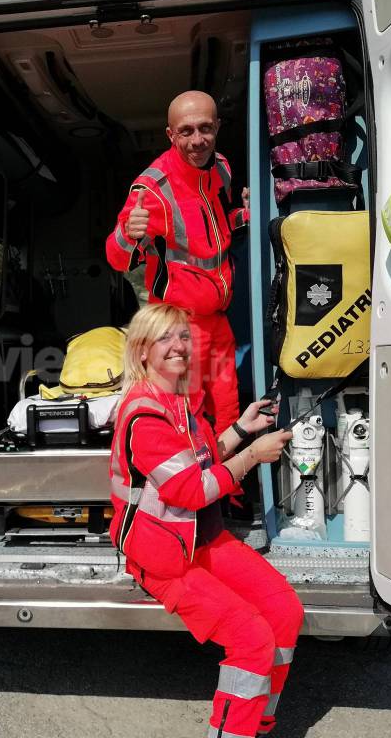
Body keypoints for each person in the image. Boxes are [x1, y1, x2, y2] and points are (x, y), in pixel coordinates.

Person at [110, 303, 301, 738]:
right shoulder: (144, 413)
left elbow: (197, 459)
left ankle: (257, 722)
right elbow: (190, 490)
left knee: (283, 610)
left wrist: (241, 430)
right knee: (252, 640)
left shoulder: (177, 400)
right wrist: (252, 456)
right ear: (142, 351)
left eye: (182, 336)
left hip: (200, 539)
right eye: (165, 338)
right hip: (164, 558)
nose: (178, 346)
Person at [105, 90, 249, 433]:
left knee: (228, 409)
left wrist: (244, 215)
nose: (198, 140)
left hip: (218, 319)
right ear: (171, 135)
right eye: (186, 131)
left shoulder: (222, 168)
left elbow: (214, 230)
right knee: (189, 419)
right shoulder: (151, 187)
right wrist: (129, 233)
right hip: (179, 327)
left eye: (205, 128)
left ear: (218, 126)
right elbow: (116, 257)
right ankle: (195, 486)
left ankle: (227, 484)